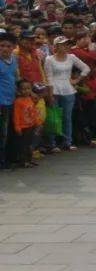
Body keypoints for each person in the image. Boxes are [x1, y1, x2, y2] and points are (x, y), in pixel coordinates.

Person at [43, 36, 90, 151]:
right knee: (54, 116)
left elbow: (86, 68)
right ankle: (52, 143)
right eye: (62, 44)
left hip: (68, 90)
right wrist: (50, 94)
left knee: (67, 117)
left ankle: (67, 142)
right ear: (56, 46)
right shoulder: (49, 59)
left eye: (67, 44)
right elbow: (48, 77)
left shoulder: (71, 57)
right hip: (54, 90)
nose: (65, 46)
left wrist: (77, 80)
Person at [11, 80, 42, 168]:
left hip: (31, 125)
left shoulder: (30, 99)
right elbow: (16, 115)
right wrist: (17, 127)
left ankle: (29, 159)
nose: (26, 91)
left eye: (28, 88)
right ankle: (23, 161)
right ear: (19, 90)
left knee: (30, 144)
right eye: (23, 89)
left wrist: (38, 122)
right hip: (23, 127)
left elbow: (33, 112)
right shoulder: (18, 101)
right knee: (23, 145)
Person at [0, 33, 17, 169]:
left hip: (10, 100)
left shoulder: (14, 60)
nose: (5, 48)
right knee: (2, 132)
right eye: (2, 45)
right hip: (1, 102)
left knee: (7, 132)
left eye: (8, 46)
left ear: (13, 47)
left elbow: (15, 78)